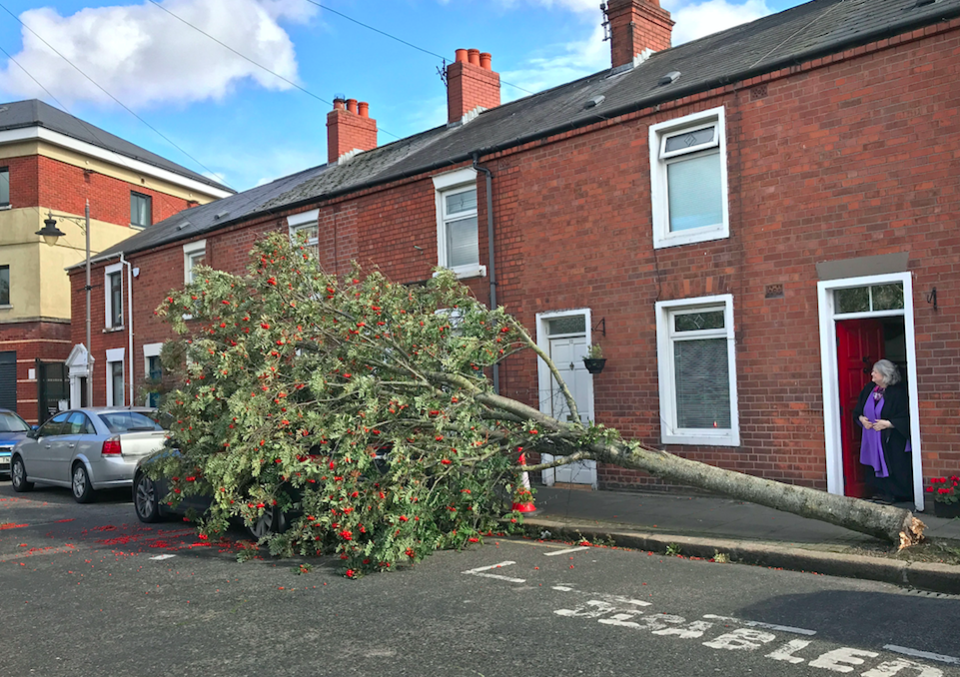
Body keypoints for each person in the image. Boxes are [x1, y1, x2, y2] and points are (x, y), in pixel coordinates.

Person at [854, 359, 912, 504]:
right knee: (873, 466)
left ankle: (896, 494)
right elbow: (858, 410)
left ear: (885, 375)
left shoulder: (897, 393)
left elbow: (906, 415)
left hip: (891, 438)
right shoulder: (869, 389)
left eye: (876, 372)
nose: (872, 374)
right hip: (872, 437)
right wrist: (862, 419)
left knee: (894, 464)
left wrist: (888, 424)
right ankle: (880, 492)